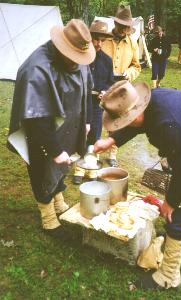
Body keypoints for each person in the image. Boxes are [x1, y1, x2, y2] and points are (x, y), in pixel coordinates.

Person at [94, 80, 181, 290]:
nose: (122, 126)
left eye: (122, 123)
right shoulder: (151, 102)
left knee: (179, 212)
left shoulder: (168, 124)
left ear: (135, 113)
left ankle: (169, 277)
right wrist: (112, 140)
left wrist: (171, 203)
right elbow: (139, 124)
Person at [7, 19, 95, 237]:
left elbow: (87, 92)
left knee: (60, 168)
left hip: (67, 127)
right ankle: (47, 216)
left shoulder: (77, 60)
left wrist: (86, 120)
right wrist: (55, 151)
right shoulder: (36, 69)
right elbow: (38, 119)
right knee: (41, 167)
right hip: (41, 132)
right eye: (73, 58)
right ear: (61, 46)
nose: (77, 63)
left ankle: (58, 200)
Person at [72, 20, 114, 184]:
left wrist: (105, 91)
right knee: (80, 134)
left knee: (95, 136)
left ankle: (90, 169)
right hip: (80, 103)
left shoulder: (107, 60)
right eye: (96, 39)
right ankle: (79, 169)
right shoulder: (80, 58)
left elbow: (110, 81)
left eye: (102, 40)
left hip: (97, 106)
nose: (99, 43)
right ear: (90, 38)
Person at [102, 4, 141, 167]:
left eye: (127, 27)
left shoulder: (132, 43)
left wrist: (129, 73)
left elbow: (137, 66)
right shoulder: (103, 38)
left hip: (121, 87)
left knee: (116, 120)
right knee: (97, 119)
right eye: (121, 26)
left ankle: (112, 153)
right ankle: (93, 155)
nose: (124, 29)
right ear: (115, 24)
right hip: (102, 84)